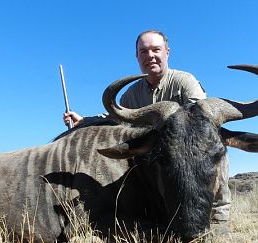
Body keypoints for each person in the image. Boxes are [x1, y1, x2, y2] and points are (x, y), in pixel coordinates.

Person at [63, 30, 231, 226]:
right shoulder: (132, 94)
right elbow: (113, 117)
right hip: (159, 153)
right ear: (137, 56)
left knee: (213, 143)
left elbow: (199, 121)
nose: (150, 55)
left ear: (167, 52)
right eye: (143, 51)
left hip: (189, 149)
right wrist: (84, 120)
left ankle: (220, 214)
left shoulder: (185, 81)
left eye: (155, 49)